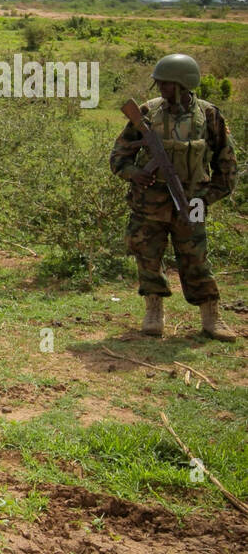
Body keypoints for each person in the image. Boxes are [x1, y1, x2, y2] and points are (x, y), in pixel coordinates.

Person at [110, 53, 238, 340]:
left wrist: (206, 198)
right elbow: (119, 155)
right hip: (149, 204)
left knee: (196, 258)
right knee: (147, 256)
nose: (161, 90)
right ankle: (154, 312)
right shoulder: (147, 112)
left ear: (183, 85)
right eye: (159, 84)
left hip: (193, 202)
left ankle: (211, 317)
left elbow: (227, 165)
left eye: (166, 84)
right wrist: (135, 174)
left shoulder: (209, 115)